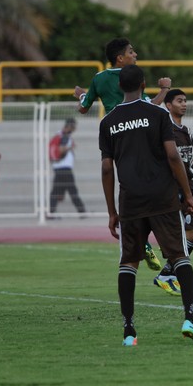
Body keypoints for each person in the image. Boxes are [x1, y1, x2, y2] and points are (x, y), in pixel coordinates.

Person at [99, 65, 193, 345]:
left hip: (130, 201)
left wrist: (112, 211)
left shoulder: (108, 121)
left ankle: (129, 331)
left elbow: (107, 169)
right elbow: (172, 156)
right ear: (144, 84)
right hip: (163, 198)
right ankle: (191, 319)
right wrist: (189, 195)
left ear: (120, 86)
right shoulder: (158, 113)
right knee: (179, 256)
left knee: (129, 262)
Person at [74, 37, 169, 270]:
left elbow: (84, 108)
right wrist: (165, 88)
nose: (135, 55)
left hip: (116, 134)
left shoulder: (99, 78)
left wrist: (80, 94)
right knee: (159, 171)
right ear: (120, 58)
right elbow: (153, 104)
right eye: (131, 51)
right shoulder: (134, 76)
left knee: (126, 181)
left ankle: (138, 236)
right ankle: (158, 232)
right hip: (142, 133)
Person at [151, 88, 193, 297]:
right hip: (174, 191)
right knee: (188, 235)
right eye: (179, 100)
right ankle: (167, 274)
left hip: (188, 187)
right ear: (168, 105)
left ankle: (167, 273)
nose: (184, 104)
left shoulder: (186, 131)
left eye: (185, 100)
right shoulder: (165, 130)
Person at [47, 117, 86, 218]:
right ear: (69, 126)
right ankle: (82, 211)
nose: (74, 129)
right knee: (72, 191)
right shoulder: (64, 136)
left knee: (56, 192)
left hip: (60, 168)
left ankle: (51, 212)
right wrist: (70, 147)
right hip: (64, 169)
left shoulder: (60, 135)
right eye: (73, 127)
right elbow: (60, 150)